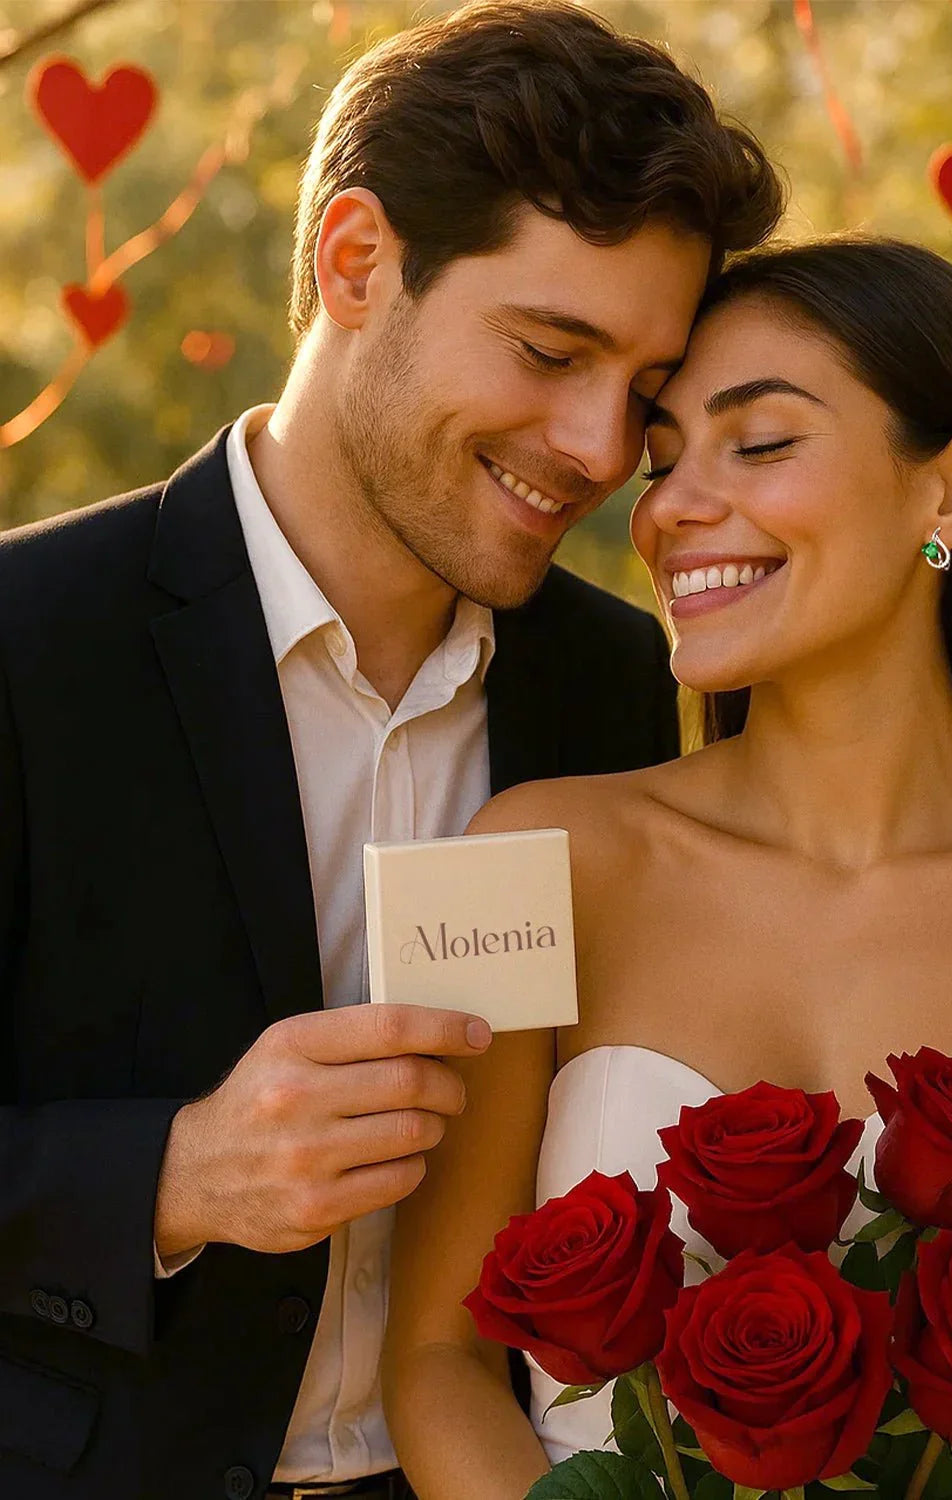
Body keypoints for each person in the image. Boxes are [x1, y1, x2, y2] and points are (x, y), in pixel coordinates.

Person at [0, 4, 783, 1496]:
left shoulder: (619, 684)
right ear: (358, 263)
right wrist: (168, 1176)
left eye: (643, 391)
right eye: (552, 351)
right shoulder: (25, 642)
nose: (603, 450)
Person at [382, 237, 952, 1500]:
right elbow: (435, 1356)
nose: (667, 509)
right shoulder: (528, 856)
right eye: (660, 462)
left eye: (757, 444)